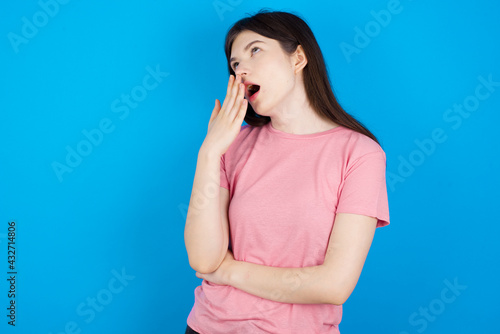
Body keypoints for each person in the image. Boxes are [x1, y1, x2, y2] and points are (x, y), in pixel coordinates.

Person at [184, 8, 390, 334]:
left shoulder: (361, 154)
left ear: (298, 59)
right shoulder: (230, 147)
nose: (241, 70)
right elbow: (203, 260)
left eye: (255, 50)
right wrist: (208, 153)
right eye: (234, 64)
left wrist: (229, 272)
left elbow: (334, 285)